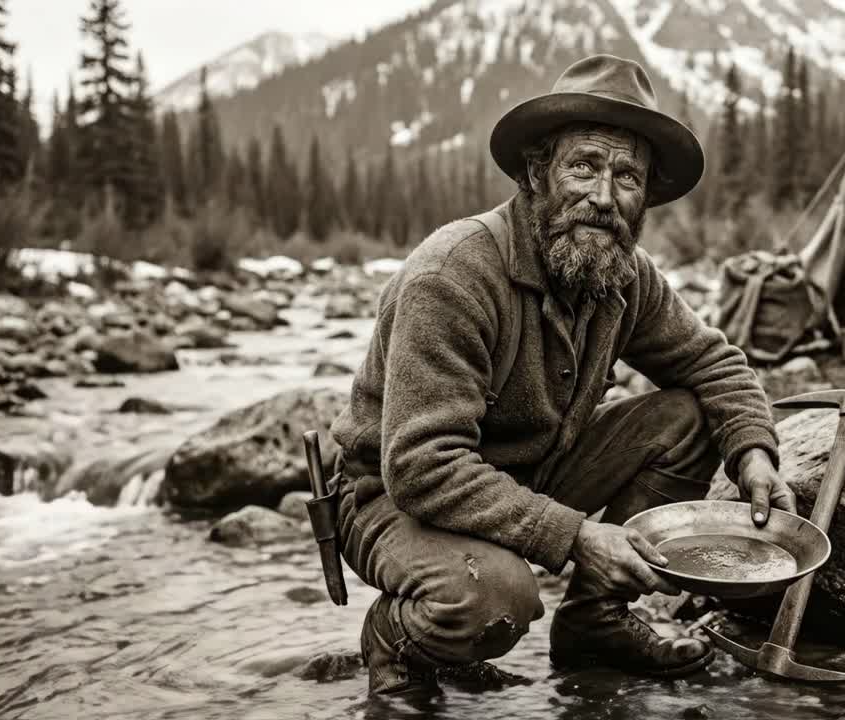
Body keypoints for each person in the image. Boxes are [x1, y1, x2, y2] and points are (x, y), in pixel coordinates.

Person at [328, 53, 794, 697]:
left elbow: (713, 362)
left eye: (627, 176)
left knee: (688, 415)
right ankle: (396, 644)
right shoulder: (454, 275)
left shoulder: (624, 273)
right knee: (495, 598)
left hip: (528, 471)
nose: (604, 197)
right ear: (536, 172)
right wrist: (577, 536)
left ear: (646, 197)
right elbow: (420, 466)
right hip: (390, 493)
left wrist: (754, 451)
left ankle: (595, 621)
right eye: (584, 167)